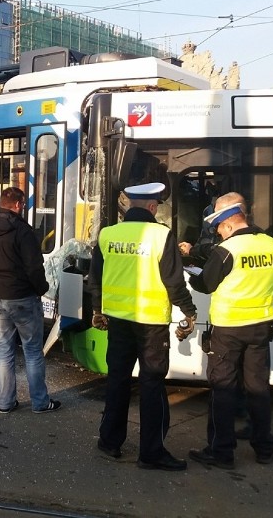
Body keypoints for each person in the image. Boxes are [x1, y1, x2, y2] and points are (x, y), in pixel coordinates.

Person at [88, 182, 196, 471]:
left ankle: (109, 441)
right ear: (151, 206)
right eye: (158, 206)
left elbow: (95, 278)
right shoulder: (162, 235)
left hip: (119, 322)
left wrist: (98, 310)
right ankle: (151, 453)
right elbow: (173, 281)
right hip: (151, 325)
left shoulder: (107, 234)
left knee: (118, 380)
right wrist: (189, 311)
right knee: (151, 385)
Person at [188, 192, 273, 469]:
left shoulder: (227, 250)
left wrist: (194, 270)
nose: (219, 234)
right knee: (258, 388)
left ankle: (221, 452)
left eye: (219, 229)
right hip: (260, 328)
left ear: (228, 224)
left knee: (223, 389)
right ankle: (264, 446)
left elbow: (205, 284)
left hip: (228, 329)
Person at [0, 186, 60, 415]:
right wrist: (42, 288)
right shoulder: (23, 231)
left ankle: (5, 402)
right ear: (19, 205)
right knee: (32, 350)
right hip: (22, 297)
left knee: (3, 348)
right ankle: (40, 402)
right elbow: (33, 267)